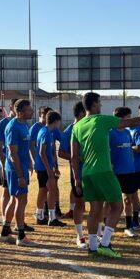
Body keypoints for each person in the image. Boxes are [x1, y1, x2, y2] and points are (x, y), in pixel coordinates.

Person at [70, 92, 140, 259]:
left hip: (87, 174)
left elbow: (74, 156)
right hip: (103, 171)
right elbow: (131, 122)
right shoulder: (101, 120)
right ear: (94, 105)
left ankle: (93, 247)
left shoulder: (77, 126)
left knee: (95, 210)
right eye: (99, 102)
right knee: (117, 206)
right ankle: (105, 244)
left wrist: (77, 179)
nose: (100, 105)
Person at [0, 99, 34, 246]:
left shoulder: (24, 124)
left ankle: (4, 233)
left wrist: (29, 163)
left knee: (15, 200)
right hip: (15, 169)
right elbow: (13, 154)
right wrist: (20, 175)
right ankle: (21, 236)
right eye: (29, 109)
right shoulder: (13, 127)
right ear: (20, 112)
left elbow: (24, 148)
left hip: (22, 168)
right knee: (21, 200)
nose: (32, 111)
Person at [58, 101, 87, 247]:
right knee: (79, 204)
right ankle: (79, 236)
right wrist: (76, 158)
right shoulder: (69, 131)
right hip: (77, 173)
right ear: (82, 113)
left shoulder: (88, 128)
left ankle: (98, 234)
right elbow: (61, 153)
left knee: (97, 203)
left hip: (93, 172)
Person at [110, 108, 140, 237]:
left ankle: (129, 227)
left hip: (130, 171)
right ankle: (105, 226)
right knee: (111, 201)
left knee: (128, 199)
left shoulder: (128, 132)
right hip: (116, 172)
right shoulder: (110, 133)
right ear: (120, 119)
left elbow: (129, 150)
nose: (130, 120)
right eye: (128, 117)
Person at [34, 110, 65, 227]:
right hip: (43, 168)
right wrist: (49, 170)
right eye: (59, 122)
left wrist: (54, 166)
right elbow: (42, 153)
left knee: (43, 191)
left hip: (44, 167)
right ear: (56, 121)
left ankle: (39, 216)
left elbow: (50, 152)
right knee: (51, 190)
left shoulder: (48, 132)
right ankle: (52, 218)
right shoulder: (45, 133)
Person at [28, 106, 52, 225]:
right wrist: (34, 161)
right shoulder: (36, 128)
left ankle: (47, 211)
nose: (45, 119)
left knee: (48, 188)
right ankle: (39, 213)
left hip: (48, 163)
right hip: (41, 164)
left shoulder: (49, 128)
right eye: (43, 116)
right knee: (43, 188)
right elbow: (31, 146)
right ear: (40, 116)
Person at [0, 99, 16, 215]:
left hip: (18, 163)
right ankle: (5, 218)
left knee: (18, 193)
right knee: (7, 191)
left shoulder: (22, 123)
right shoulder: (3, 123)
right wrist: (2, 164)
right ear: (11, 107)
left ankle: (16, 218)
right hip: (7, 163)